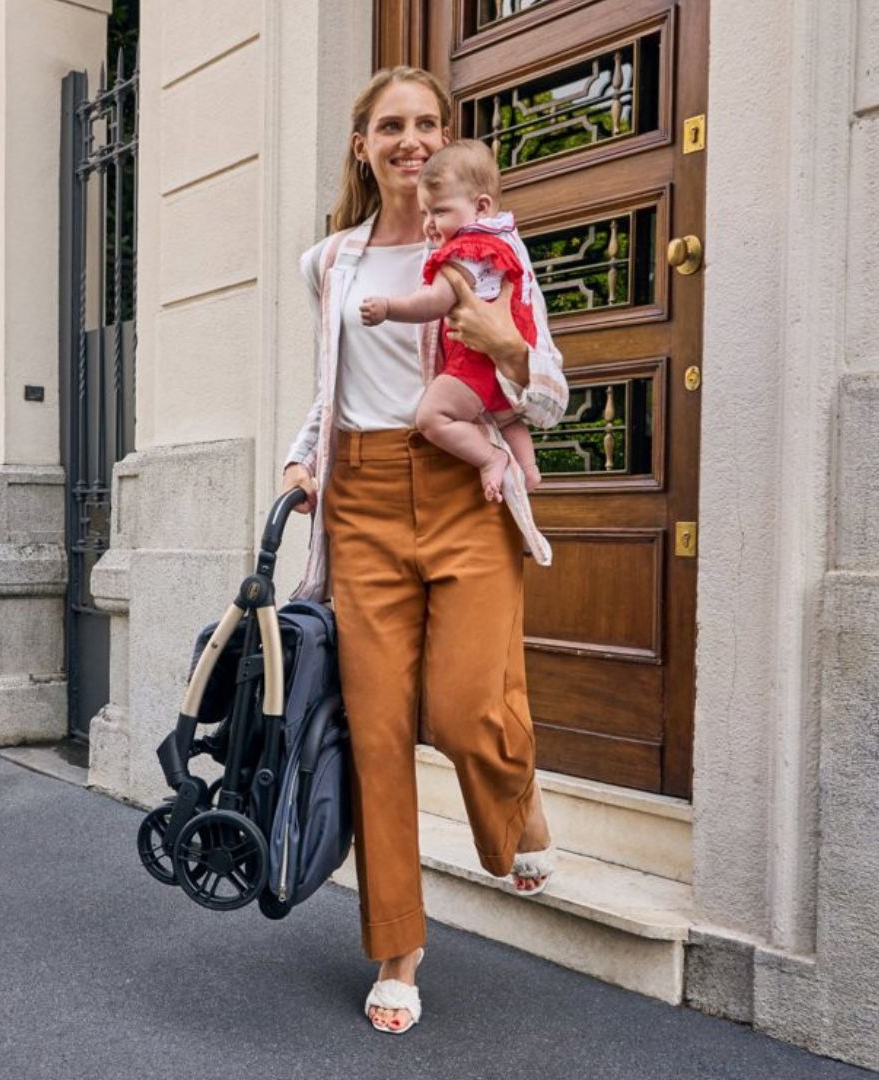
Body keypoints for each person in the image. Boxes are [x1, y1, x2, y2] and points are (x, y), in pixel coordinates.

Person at [280, 66, 568, 1036]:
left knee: (466, 704)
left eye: (426, 124)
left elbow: (551, 393)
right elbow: (333, 381)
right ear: (362, 143)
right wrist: (301, 460)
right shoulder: (332, 263)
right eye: (390, 125)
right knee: (375, 732)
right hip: (359, 499)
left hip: (463, 485)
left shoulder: (494, 248)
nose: (409, 139)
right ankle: (397, 946)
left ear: (446, 141)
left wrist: (508, 346)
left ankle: (518, 806)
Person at [359, 138, 542, 503]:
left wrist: (388, 308)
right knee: (507, 420)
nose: (429, 224)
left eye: (439, 212)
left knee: (431, 416)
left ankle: (493, 457)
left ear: (481, 206)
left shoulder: (465, 251)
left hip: (473, 364)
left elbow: (434, 302)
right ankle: (530, 470)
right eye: (425, 213)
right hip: (506, 367)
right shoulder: (506, 239)